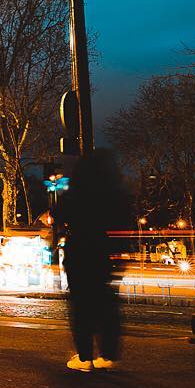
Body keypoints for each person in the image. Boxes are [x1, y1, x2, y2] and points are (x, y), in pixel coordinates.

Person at [54, 148, 126, 371]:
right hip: (104, 250)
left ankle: (85, 357)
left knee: (81, 303)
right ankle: (109, 354)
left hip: (80, 250)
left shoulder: (77, 191)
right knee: (105, 302)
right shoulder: (113, 191)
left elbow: (58, 214)